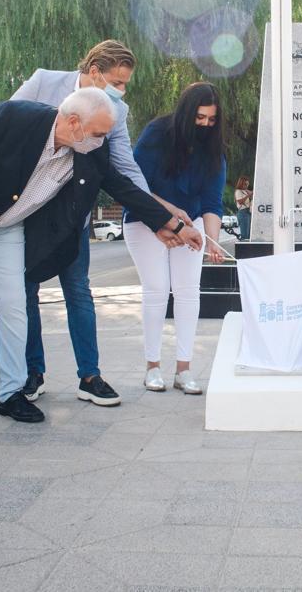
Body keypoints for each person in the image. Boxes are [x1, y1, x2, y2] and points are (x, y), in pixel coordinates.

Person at [0, 88, 199, 429]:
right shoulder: (13, 117)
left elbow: (124, 188)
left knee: (15, 308)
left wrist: (172, 224)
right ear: (74, 123)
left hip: (6, 230)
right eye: (99, 133)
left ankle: (11, 392)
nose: (102, 141)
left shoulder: (89, 151)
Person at [11, 40, 169, 408]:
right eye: (117, 81)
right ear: (94, 70)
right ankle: (32, 374)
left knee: (79, 293)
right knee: (25, 295)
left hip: (73, 216)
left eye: (126, 84)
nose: (121, 90)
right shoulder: (41, 83)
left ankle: (90, 376)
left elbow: (124, 167)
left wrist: (150, 215)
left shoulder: (117, 110)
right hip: (27, 211)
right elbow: (8, 129)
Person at [127, 82, 226, 395]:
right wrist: (170, 214)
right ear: (186, 112)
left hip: (190, 223)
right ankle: (152, 367)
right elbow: (135, 184)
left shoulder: (214, 151)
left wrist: (212, 241)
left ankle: (184, 369)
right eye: (199, 117)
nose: (205, 125)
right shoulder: (157, 133)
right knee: (156, 289)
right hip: (146, 218)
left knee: (187, 291)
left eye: (211, 120)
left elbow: (212, 202)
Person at [234, 176, 253, 241]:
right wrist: (248, 195)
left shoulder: (244, 191)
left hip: (248, 212)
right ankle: (244, 247)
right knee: (245, 233)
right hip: (243, 212)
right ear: (241, 183)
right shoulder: (238, 191)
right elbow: (240, 201)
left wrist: (249, 193)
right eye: (245, 184)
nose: (246, 186)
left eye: (247, 184)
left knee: (249, 233)